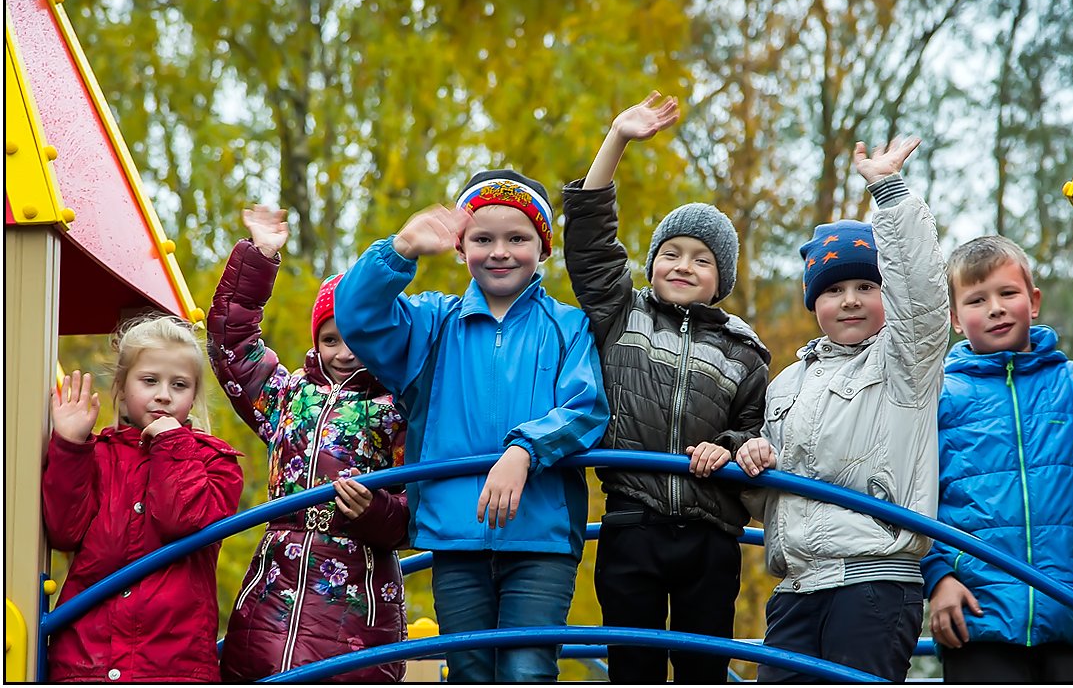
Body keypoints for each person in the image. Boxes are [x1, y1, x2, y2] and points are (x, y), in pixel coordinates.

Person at [333, 169, 610, 683]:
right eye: (483, 239)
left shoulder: (567, 325)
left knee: (527, 672)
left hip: (541, 538)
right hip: (456, 536)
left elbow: (586, 407)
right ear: (461, 249)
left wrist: (523, 451)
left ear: (543, 249)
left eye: (518, 238)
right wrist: (401, 249)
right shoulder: (432, 324)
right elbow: (357, 317)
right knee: (469, 672)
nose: (500, 251)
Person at [561, 91, 771, 682]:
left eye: (701, 260)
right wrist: (618, 140)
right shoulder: (621, 313)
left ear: (720, 279)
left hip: (712, 532)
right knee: (634, 665)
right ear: (651, 263)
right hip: (635, 520)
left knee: (705, 666)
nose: (683, 265)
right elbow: (590, 241)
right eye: (671, 253)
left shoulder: (744, 350)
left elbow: (755, 428)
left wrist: (726, 448)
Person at [736, 136, 947, 682]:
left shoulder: (905, 362)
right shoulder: (786, 383)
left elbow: (922, 294)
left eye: (865, 285)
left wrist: (889, 191)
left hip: (873, 583)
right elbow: (768, 501)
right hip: (797, 587)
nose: (849, 299)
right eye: (833, 290)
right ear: (814, 304)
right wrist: (753, 458)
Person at [207, 206, 409, 683]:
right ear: (316, 341)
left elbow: (415, 511)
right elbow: (230, 346)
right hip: (275, 581)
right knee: (257, 669)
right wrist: (259, 257)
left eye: (358, 338)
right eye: (331, 339)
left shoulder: (399, 407)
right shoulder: (287, 396)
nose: (344, 353)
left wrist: (374, 510)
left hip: (358, 588)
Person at [919, 235, 1073, 683]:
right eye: (977, 300)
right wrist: (937, 578)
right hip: (977, 616)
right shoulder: (940, 398)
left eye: (1008, 293)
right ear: (955, 319)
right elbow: (914, 495)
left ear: (1033, 302)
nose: (995, 308)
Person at [42, 315, 244, 683]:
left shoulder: (215, 462)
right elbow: (63, 533)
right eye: (149, 381)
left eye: (179, 385)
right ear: (122, 385)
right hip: (88, 661)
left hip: (173, 665)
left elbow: (181, 519)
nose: (163, 394)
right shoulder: (98, 455)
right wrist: (70, 447)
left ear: (194, 395)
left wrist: (172, 443)